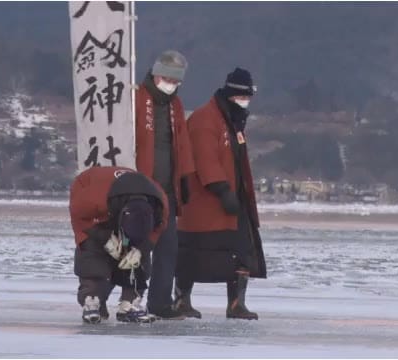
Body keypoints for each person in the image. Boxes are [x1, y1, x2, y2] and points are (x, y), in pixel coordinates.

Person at [174, 68, 267, 320]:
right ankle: (182, 300)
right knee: (191, 253)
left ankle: (236, 304)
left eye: (247, 97)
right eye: (241, 96)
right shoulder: (206, 119)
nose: (244, 102)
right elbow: (206, 159)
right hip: (208, 202)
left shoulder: (231, 121)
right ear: (230, 94)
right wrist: (223, 190)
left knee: (242, 252)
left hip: (233, 200)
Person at [135, 50, 195, 319]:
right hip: (141, 186)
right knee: (138, 247)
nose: (170, 84)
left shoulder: (176, 106)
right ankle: (129, 299)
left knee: (168, 247)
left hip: (167, 189)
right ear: (155, 74)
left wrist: (184, 180)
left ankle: (159, 303)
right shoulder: (135, 99)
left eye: (176, 81)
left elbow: (182, 145)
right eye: (167, 78)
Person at [70, 166, 169, 324]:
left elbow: (157, 231)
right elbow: (79, 218)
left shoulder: (160, 204)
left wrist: (142, 249)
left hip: (121, 202)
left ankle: (130, 302)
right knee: (93, 252)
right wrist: (104, 237)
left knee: (137, 260)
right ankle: (92, 298)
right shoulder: (91, 200)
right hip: (96, 196)